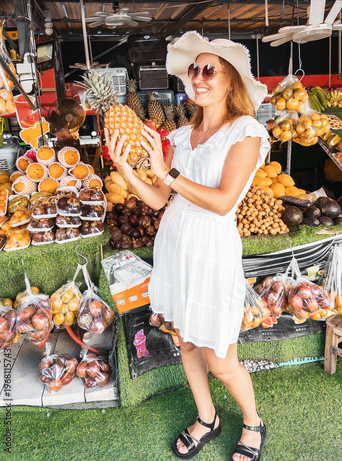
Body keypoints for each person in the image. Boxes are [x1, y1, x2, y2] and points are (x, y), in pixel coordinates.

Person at [105, 31, 270, 461]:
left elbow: (223, 202)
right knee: (188, 342)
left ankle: (253, 422)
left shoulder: (246, 132)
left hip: (212, 248)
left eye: (208, 69)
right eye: (193, 69)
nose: (197, 76)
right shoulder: (181, 137)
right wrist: (127, 167)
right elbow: (160, 200)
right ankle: (207, 417)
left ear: (230, 79)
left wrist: (168, 172)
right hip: (176, 243)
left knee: (220, 356)